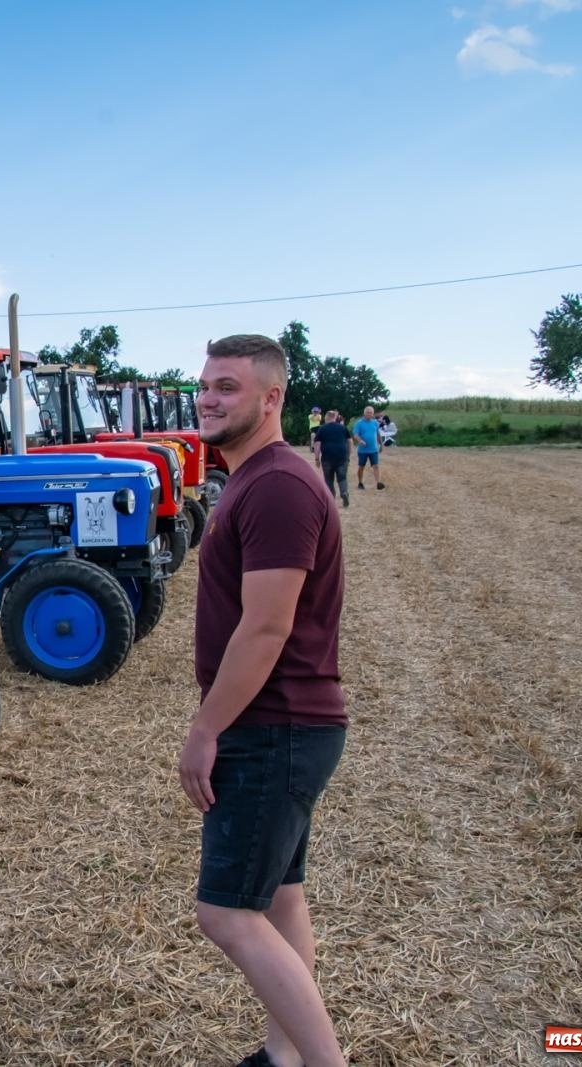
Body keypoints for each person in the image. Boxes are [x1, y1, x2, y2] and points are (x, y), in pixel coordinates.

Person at [183, 334, 349, 1067]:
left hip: (273, 724)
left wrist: (206, 727)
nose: (209, 398)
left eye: (228, 386)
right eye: (206, 385)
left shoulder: (278, 485)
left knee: (226, 911)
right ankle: (286, 1054)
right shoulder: (256, 479)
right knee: (281, 895)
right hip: (285, 724)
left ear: (271, 398)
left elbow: (268, 624)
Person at [313, 409, 353, 507]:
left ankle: (331, 500)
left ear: (326, 417)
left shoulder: (322, 429)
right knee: (342, 477)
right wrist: (348, 454)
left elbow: (317, 444)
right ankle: (344, 492)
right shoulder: (342, 428)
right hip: (342, 456)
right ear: (334, 418)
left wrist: (317, 458)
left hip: (327, 457)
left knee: (328, 479)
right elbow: (350, 441)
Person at [350, 406, 383, 491]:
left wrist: (381, 444)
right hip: (363, 450)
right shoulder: (359, 423)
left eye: (371, 412)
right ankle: (360, 482)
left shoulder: (375, 422)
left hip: (374, 449)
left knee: (376, 466)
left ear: (373, 414)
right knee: (361, 466)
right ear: (364, 413)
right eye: (367, 412)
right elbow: (356, 434)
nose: (369, 414)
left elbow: (378, 433)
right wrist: (360, 440)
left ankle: (378, 483)